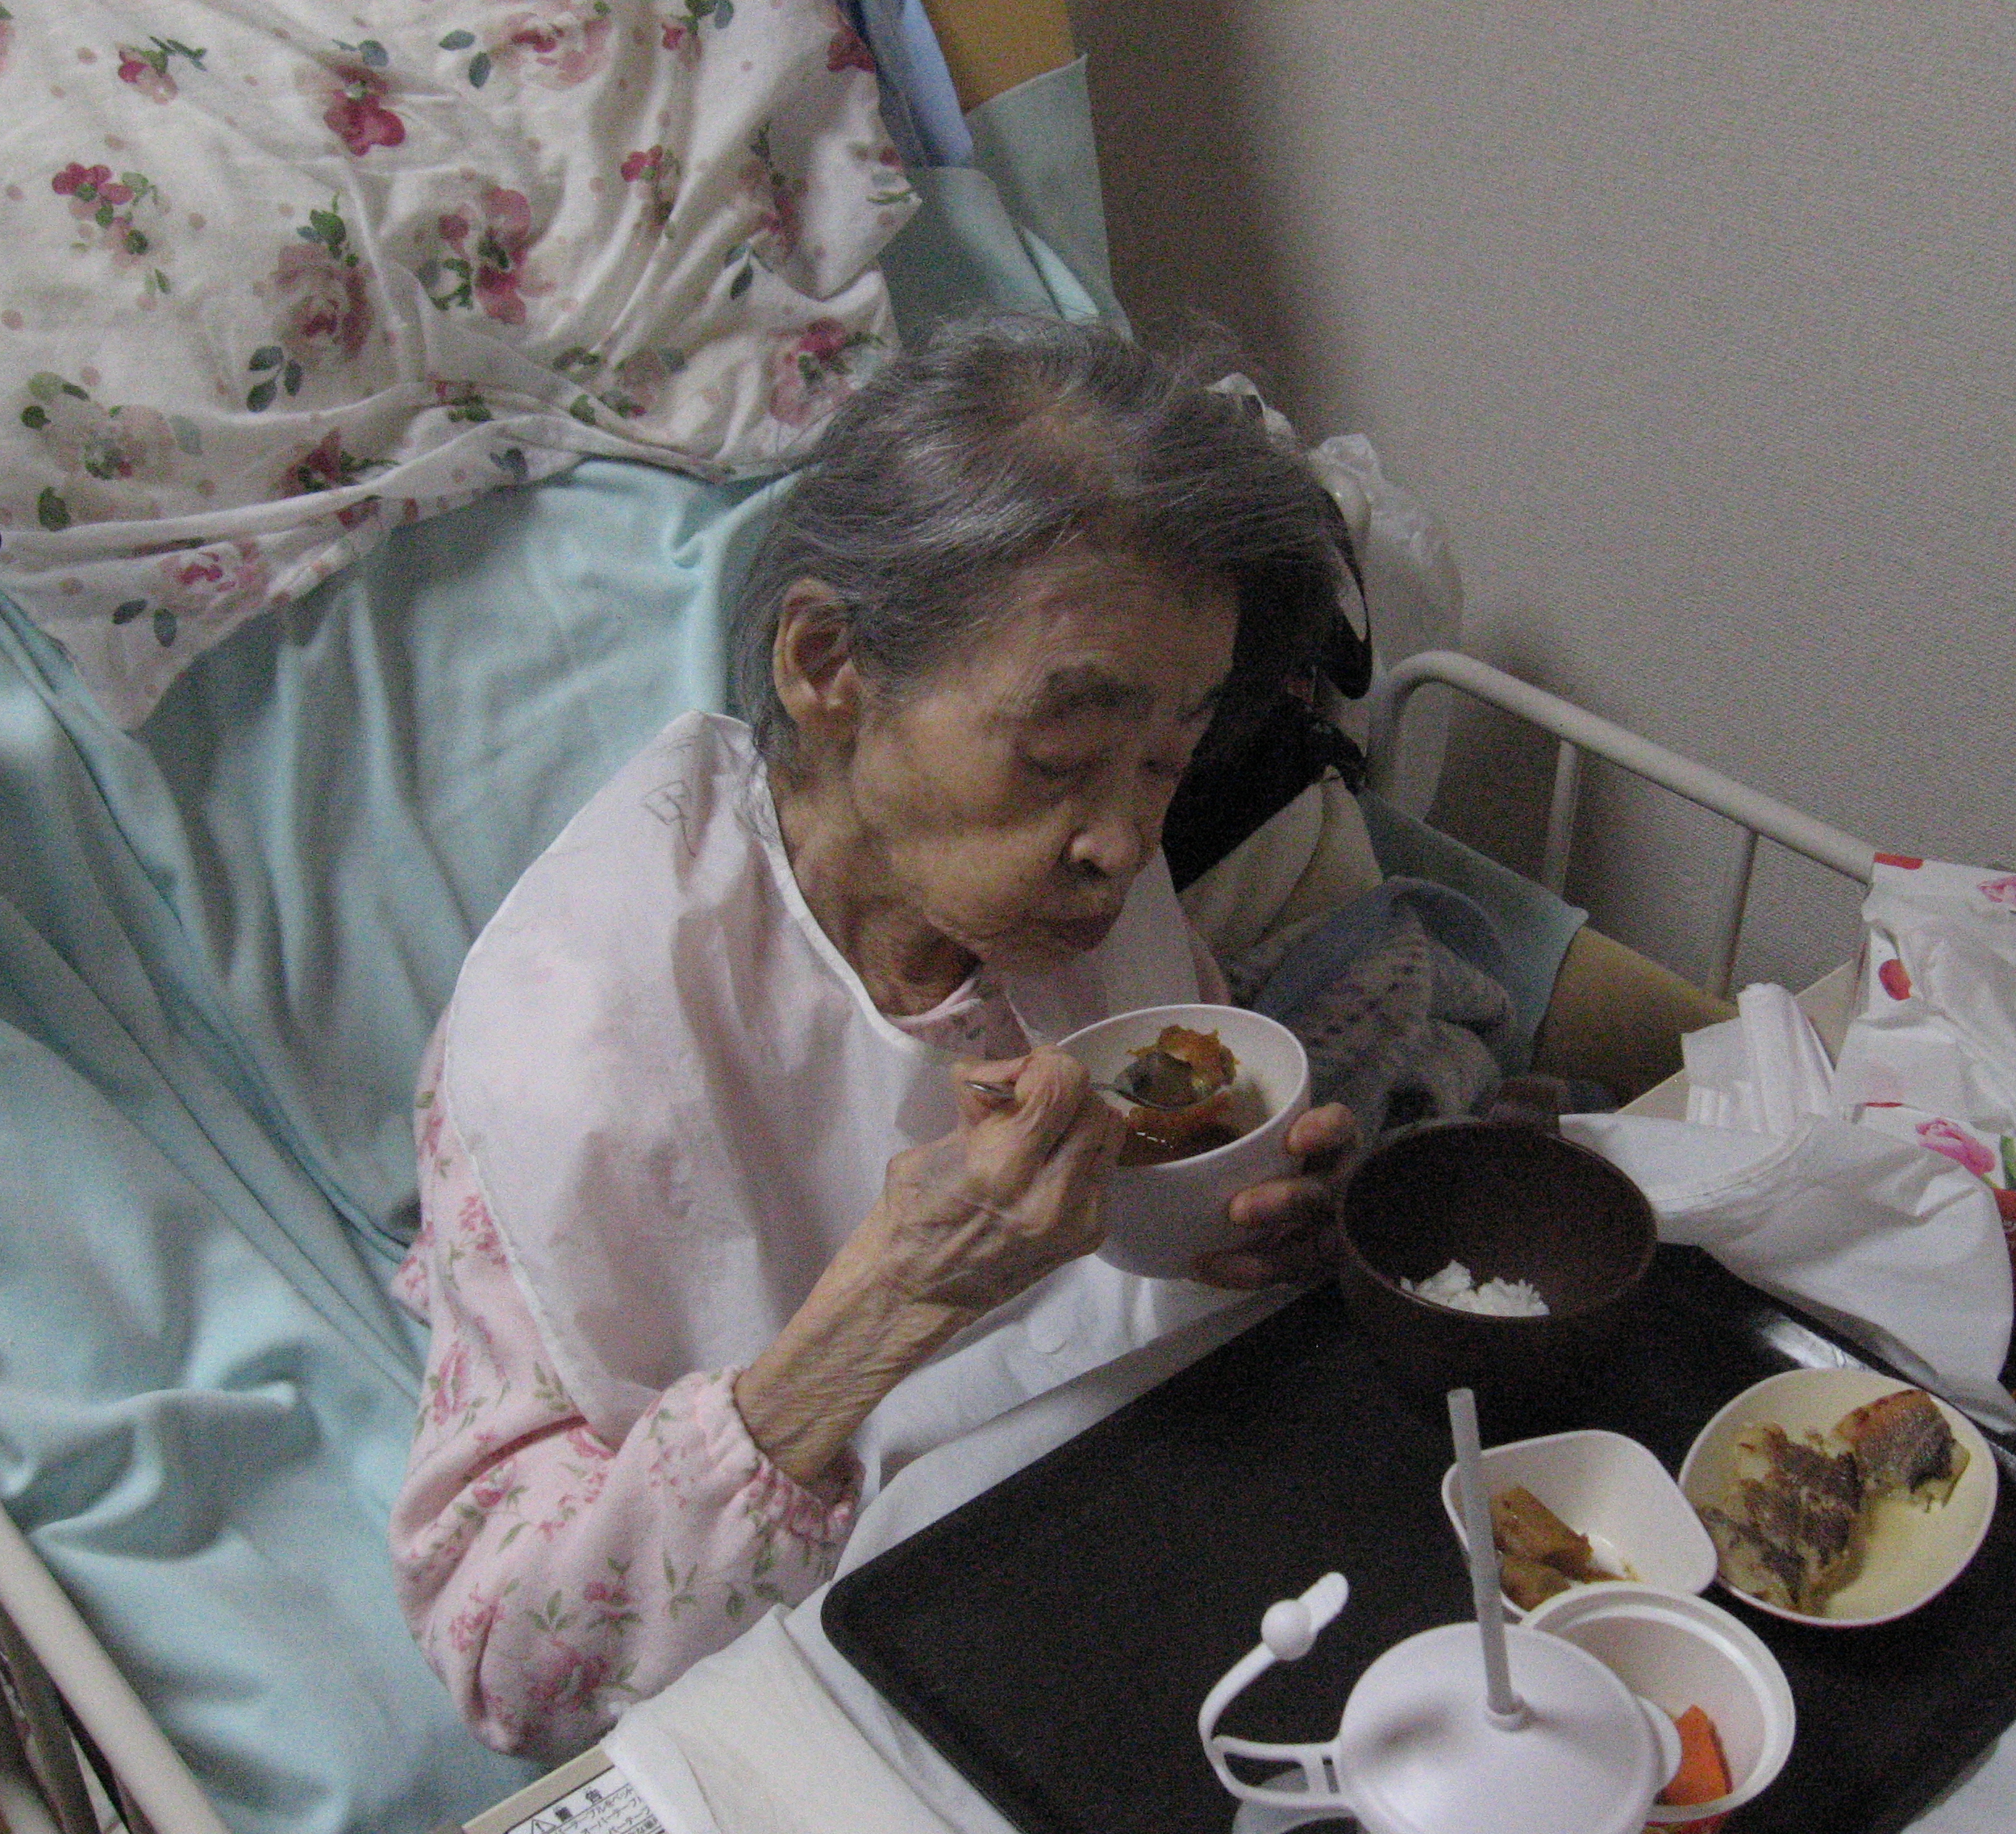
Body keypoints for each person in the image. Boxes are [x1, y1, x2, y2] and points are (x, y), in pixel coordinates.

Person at [389, 315, 1359, 1758]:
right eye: (1058, 754)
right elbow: (512, 1670)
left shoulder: (1083, 880)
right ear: (828, 663)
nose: (1123, 841)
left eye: (1168, 757)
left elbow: (1150, 1251)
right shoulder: (580, 1032)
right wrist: (891, 1305)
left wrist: (1245, 1239)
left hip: (1101, 1535)